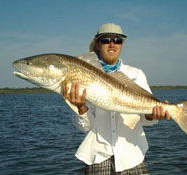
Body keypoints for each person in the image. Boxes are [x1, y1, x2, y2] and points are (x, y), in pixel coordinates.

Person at [63, 23, 170, 175]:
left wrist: (152, 114)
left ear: (121, 45)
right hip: (98, 157)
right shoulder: (81, 75)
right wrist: (80, 107)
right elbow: (84, 127)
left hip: (133, 156)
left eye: (118, 40)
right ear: (97, 44)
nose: (112, 44)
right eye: (106, 40)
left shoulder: (136, 74)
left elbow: (146, 120)